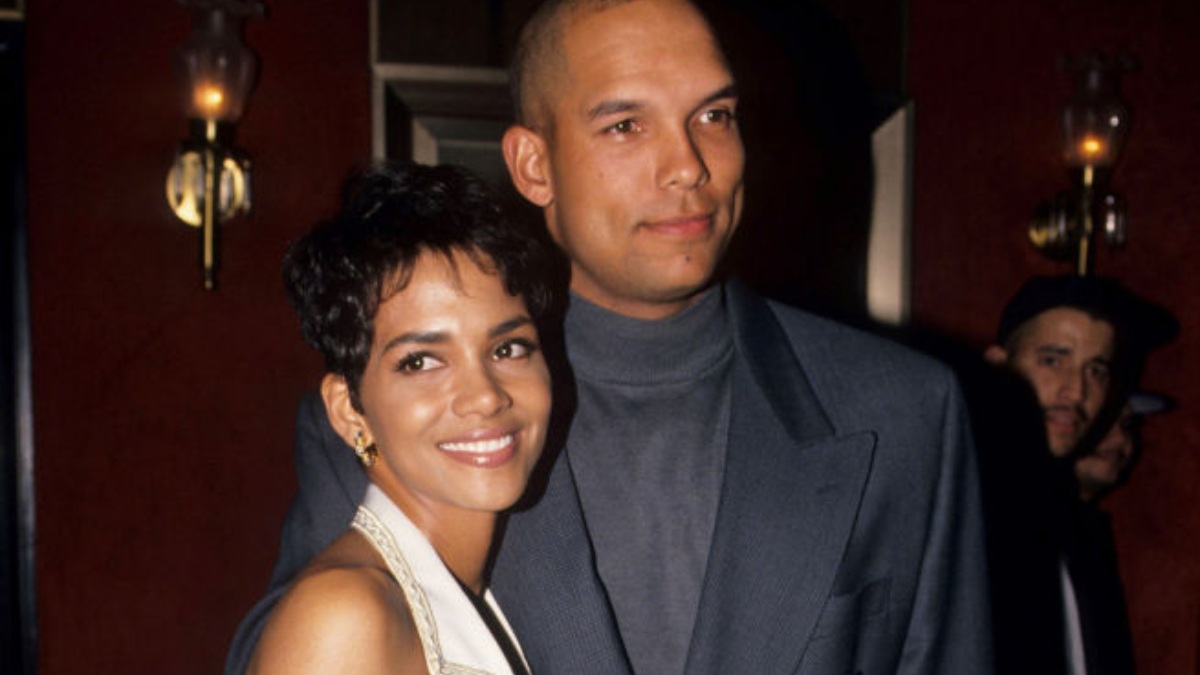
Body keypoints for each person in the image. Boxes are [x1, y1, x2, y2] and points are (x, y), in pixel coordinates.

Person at [227, 1, 992, 673]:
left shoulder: (904, 410)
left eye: (714, 116)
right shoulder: (408, 419)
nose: (687, 166)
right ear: (534, 164)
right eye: (626, 125)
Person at [245, 163, 557, 674]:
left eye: (508, 348)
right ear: (350, 411)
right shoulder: (343, 616)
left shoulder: (473, 597)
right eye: (421, 362)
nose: (484, 396)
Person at [976, 274, 1177, 675]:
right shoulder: (959, 501)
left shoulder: (1064, 519)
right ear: (998, 365)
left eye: (1096, 370)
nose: (1077, 391)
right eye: (1053, 360)